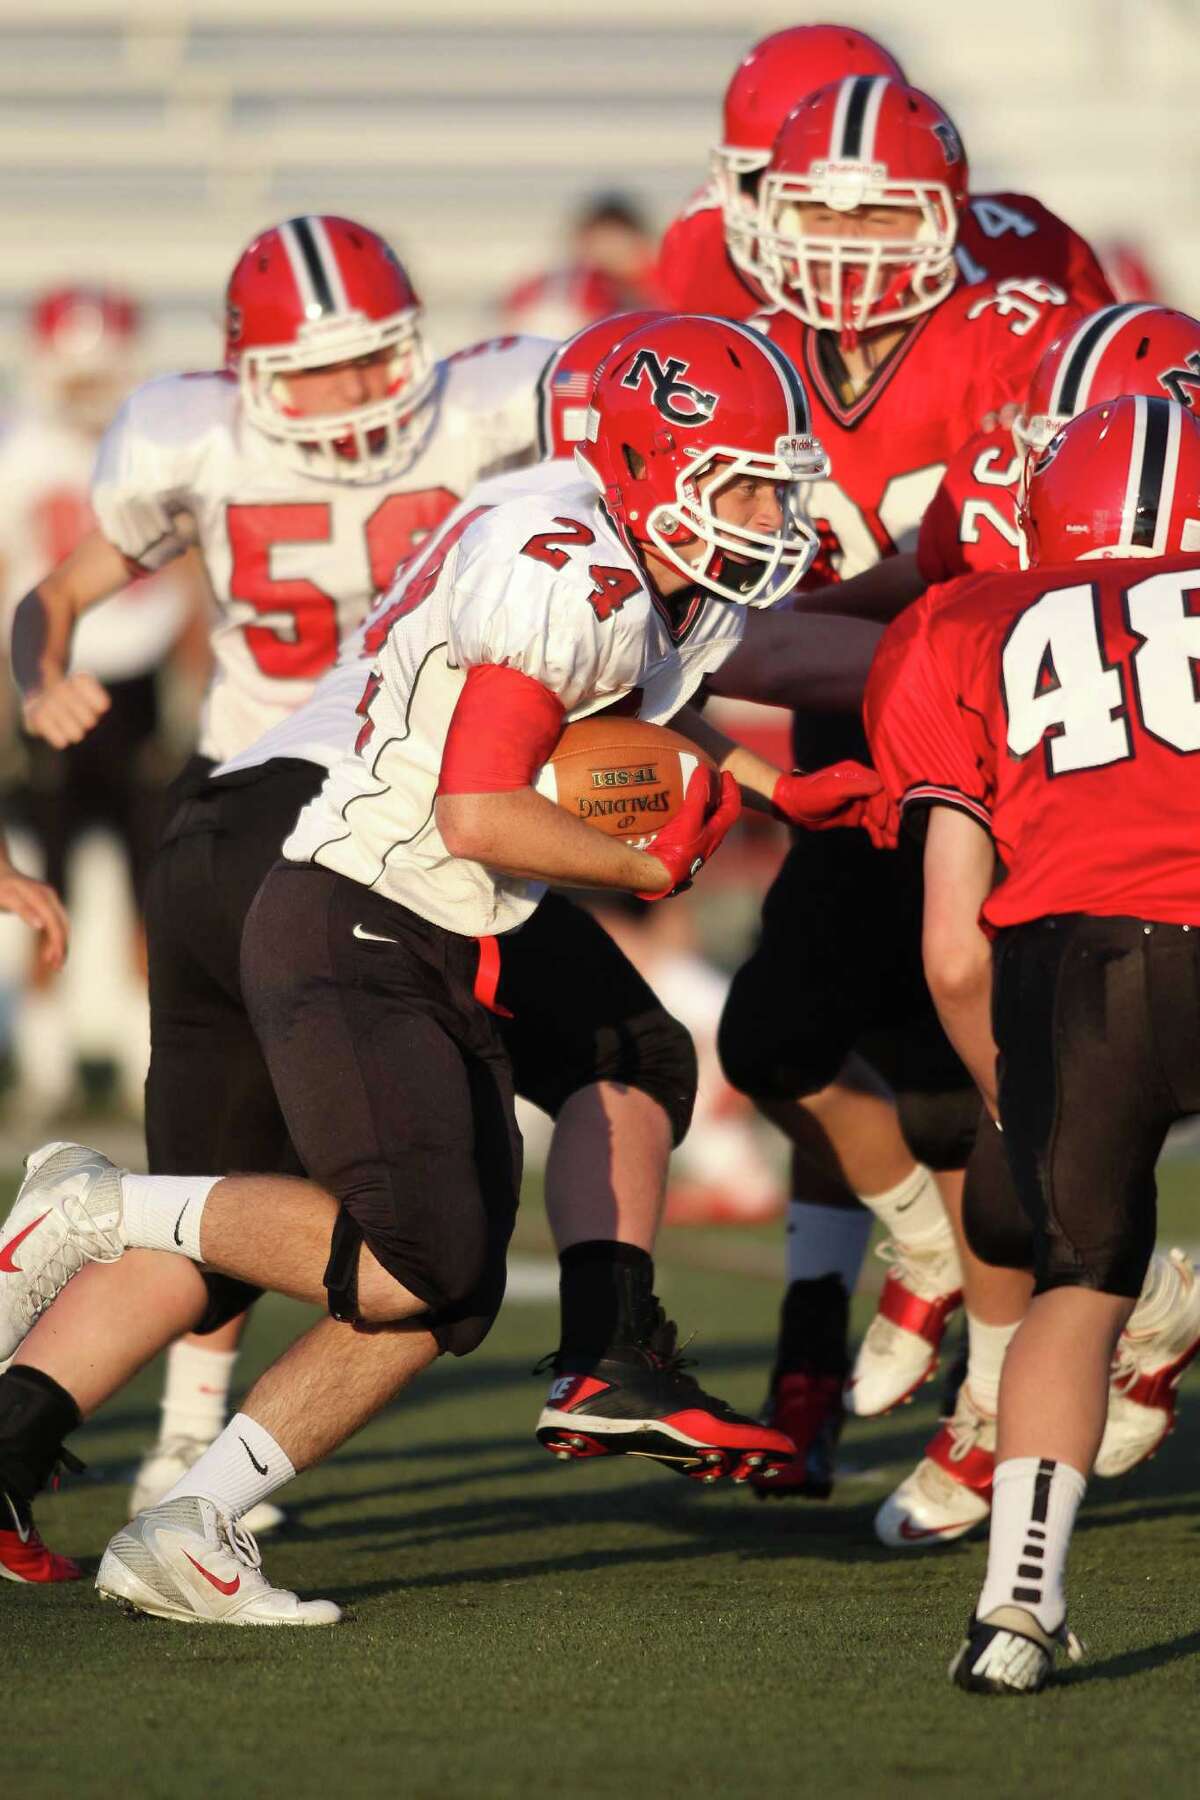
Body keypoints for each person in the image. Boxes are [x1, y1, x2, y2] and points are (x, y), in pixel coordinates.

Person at [0, 315, 884, 1623]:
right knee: (420, 1254)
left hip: (433, 908)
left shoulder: (656, 567)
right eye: (738, 481)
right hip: (364, 903)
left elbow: (652, 704)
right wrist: (646, 869)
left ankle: (196, 1520)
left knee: (473, 1251)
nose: (764, 508)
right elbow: (480, 807)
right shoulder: (565, 566)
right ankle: (94, 1209)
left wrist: (769, 785)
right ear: (644, 466)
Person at [7, 215, 553, 1543]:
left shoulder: (478, 408)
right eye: (317, 371)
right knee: (436, 1227)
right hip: (331, 830)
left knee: (212, 1195)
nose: (357, 398)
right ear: (249, 373)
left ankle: (82, 1444)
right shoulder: (189, 435)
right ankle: (607, 1347)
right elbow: (57, 593)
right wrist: (40, 670)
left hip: (260, 831)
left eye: (376, 362)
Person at [712, 76, 1086, 1498]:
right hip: (845, 769)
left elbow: (1004, 554)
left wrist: (812, 635)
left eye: (884, 209)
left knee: (975, 1103)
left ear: (946, 219)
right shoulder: (749, 350)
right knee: (777, 1038)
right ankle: (931, 1275)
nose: (852, 240)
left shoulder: (1013, 331)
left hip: (989, 771)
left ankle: (1001, 1402)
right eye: (822, 208)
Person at [866, 393, 1200, 1693]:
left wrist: (1018, 1098)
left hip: (1084, 963)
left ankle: (1018, 1601)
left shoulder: (962, 623)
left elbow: (954, 946)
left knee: (1081, 1278)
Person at [0, 286, 200, 1115]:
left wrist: (191, 687)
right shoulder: (19, 446)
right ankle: (43, 1065)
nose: (88, 387)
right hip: (51, 680)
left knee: (157, 881)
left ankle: (150, 1060)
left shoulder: (153, 441)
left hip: (142, 673)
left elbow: (193, 573)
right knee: (44, 879)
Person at [656, 24, 1115, 324]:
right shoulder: (703, 250)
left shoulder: (1022, 255)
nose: (840, 235)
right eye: (769, 185)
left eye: (871, 208)